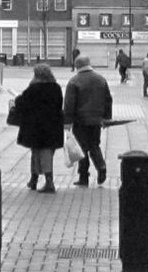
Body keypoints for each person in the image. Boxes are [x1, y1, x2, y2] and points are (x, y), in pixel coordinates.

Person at [11, 62, 63, 193]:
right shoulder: (56, 88)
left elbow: (22, 102)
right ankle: (33, 180)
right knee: (43, 152)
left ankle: (48, 182)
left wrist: (16, 99)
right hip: (52, 126)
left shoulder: (34, 88)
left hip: (36, 127)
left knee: (40, 153)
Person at [63, 54, 112, 186]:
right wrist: (107, 118)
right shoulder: (101, 79)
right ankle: (101, 166)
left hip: (80, 121)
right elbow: (108, 100)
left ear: (77, 66)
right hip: (96, 120)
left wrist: (67, 122)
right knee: (94, 145)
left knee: (82, 148)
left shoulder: (74, 81)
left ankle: (83, 177)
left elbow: (69, 104)